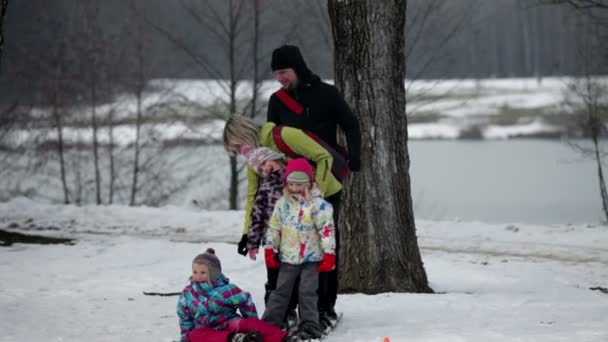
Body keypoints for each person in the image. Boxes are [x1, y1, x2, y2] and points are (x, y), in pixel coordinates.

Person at [268, 44, 361, 326]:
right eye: (276, 74)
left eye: (283, 72)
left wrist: (354, 159)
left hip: (327, 185)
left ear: (296, 67)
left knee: (326, 245)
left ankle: (324, 307)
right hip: (292, 189)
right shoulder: (277, 101)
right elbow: (271, 140)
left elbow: (351, 125)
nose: (280, 78)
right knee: (291, 247)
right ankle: (292, 308)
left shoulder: (326, 94)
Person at [262, 158, 336, 341]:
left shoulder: (319, 205)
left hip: (312, 259)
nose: (295, 188)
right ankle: (271, 323)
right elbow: (274, 227)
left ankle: (310, 326)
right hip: (288, 257)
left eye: (299, 184)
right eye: (291, 184)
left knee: (307, 292)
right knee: (280, 291)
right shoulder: (282, 204)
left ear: (309, 184)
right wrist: (270, 248)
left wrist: (329, 254)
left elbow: (326, 230)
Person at [240, 144, 298, 327]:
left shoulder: (295, 180)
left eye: (266, 162)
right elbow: (257, 216)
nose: (265, 168)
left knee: (292, 280)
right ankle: (274, 317)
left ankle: (289, 312)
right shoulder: (266, 188)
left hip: (294, 242)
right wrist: (252, 242)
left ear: (276, 157)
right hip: (272, 243)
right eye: (261, 168)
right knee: (273, 281)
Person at [176, 248, 289, 342]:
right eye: (195, 272)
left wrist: (250, 322)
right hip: (207, 330)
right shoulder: (188, 293)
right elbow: (184, 317)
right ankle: (237, 339)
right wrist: (185, 336)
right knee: (195, 335)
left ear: (214, 273)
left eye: (203, 272)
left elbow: (245, 301)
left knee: (250, 323)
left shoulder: (226, 290)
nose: (198, 276)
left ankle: (283, 338)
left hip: (229, 323)